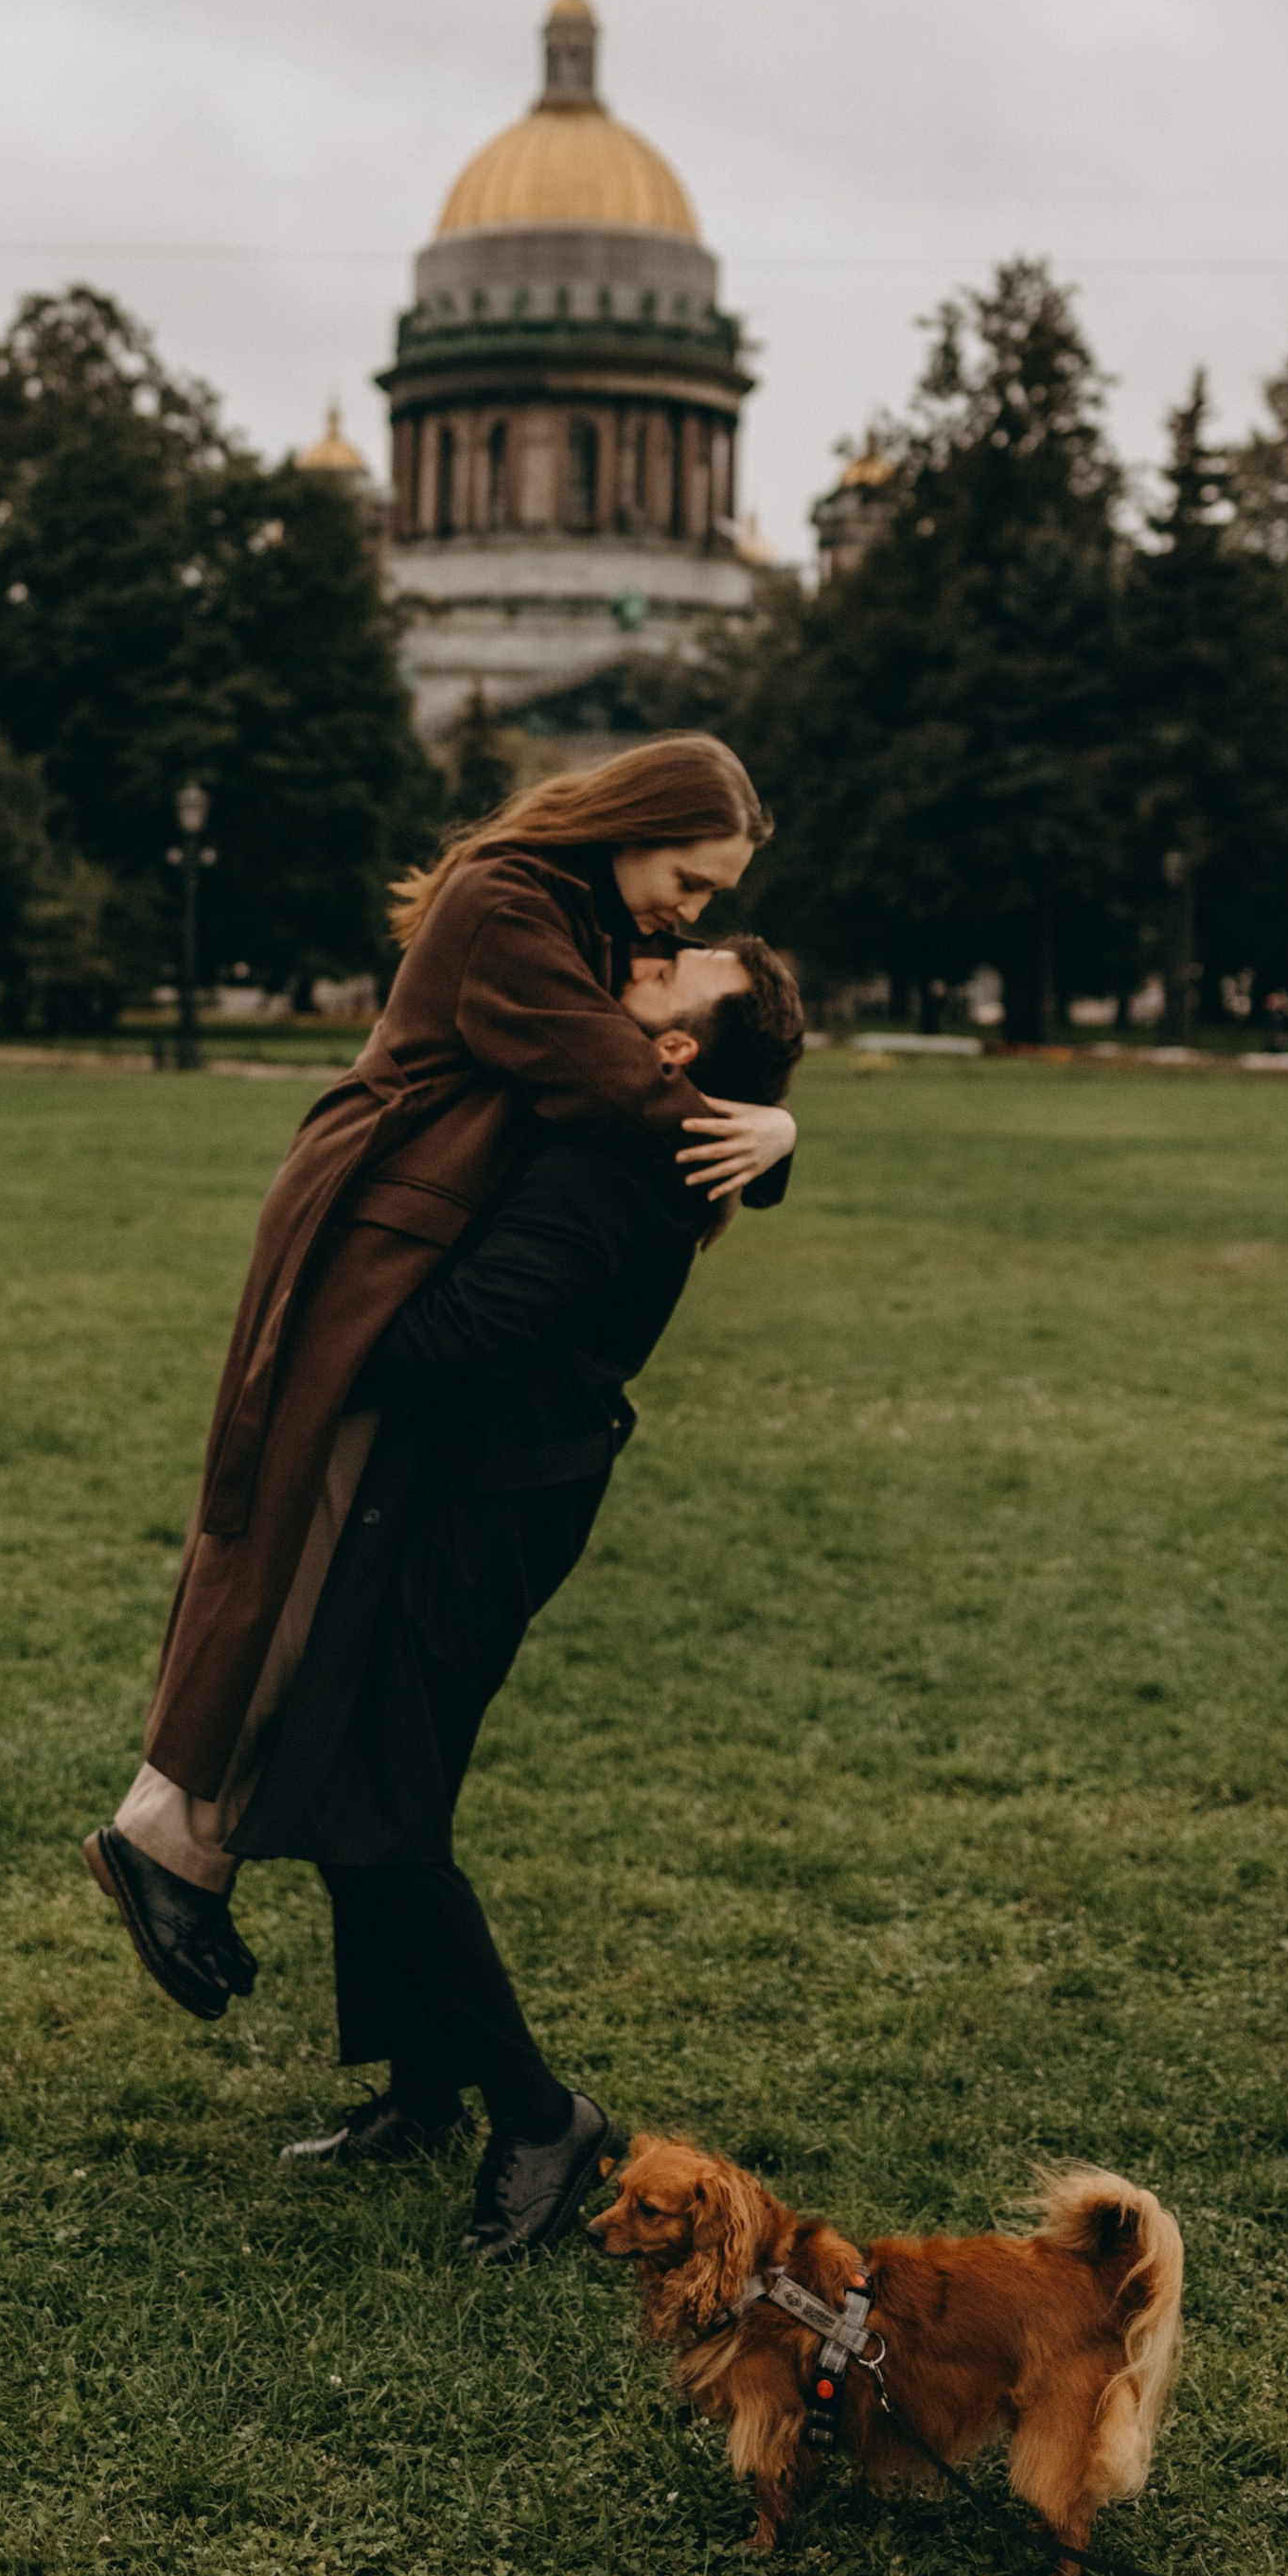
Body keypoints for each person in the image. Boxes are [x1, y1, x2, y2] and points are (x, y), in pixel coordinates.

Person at [88, 736, 797, 2046]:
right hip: (379, 1241)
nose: (691, 915)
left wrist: (757, 1111)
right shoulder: (510, 902)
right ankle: (165, 1839)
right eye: (692, 885)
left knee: (302, 1564)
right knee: (283, 1557)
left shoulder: (577, 912)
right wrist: (761, 1137)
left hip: (417, 1234)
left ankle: (182, 1845)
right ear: (636, 824)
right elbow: (606, 1073)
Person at [255, 932, 805, 2261]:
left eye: (682, 967)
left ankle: (540, 2116)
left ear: (677, 1053)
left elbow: (464, 1337)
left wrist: (316, 1312)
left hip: (484, 1505)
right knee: (386, 1780)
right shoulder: (633, 1115)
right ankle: (427, 2089)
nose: (654, 952)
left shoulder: (618, 1162)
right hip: (478, 1486)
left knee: (375, 1804)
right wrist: (785, 1133)